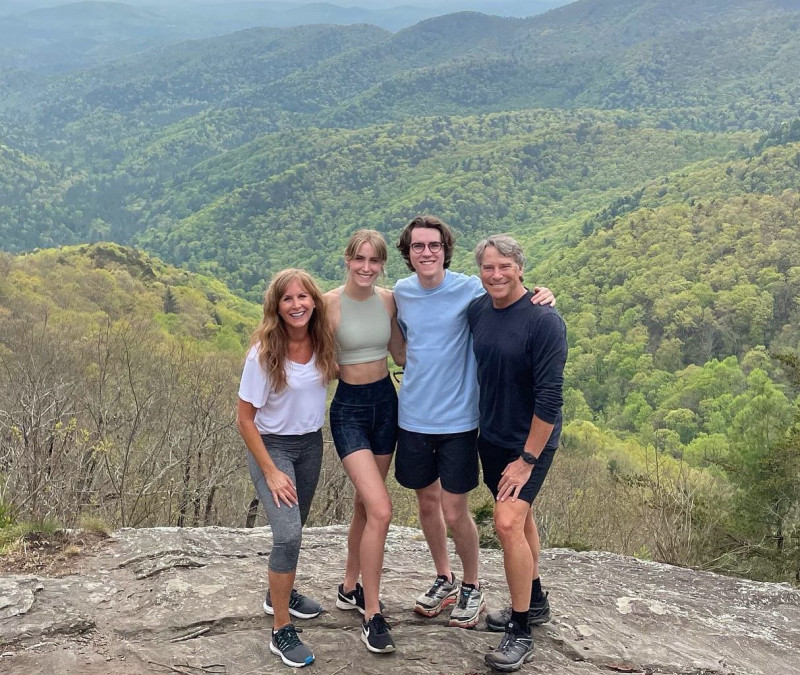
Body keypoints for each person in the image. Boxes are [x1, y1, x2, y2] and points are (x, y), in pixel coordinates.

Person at [392, 215, 555, 630]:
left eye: (434, 245)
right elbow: (395, 341)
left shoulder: (470, 289)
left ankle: (473, 585)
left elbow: (514, 301)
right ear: (408, 254)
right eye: (417, 246)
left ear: (446, 250)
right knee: (427, 503)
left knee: (458, 508)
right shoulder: (402, 293)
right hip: (414, 416)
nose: (426, 252)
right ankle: (444, 578)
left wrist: (544, 295)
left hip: (462, 421)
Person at [467, 235, 567, 672]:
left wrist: (526, 461)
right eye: (488, 267)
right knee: (520, 519)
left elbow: (550, 400)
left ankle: (521, 628)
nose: (496, 274)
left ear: (521, 268)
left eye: (504, 266)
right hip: (491, 434)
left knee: (507, 523)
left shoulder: (544, 321)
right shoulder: (477, 311)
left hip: (532, 441)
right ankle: (537, 598)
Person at [236, 269, 338, 669]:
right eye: (287, 299)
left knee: (297, 527)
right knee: (288, 533)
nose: (297, 305)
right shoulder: (265, 352)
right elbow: (244, 418)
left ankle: (278, 592)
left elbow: (365, 296)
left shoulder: (323, 341)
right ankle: (281, 627)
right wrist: (271, 470)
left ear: (314, 301)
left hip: (311, 444)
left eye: (303, 297)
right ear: (276, 307)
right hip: (272, 447)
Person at [324, 230, 406, 654]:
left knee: (363, 503)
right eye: (360, 259)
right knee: (380, 508)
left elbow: (401, 353)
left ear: (382, 264)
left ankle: (349, 586)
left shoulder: (390, 300)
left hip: (386, 405)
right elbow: (300, 347)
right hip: (349, 410)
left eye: (375, 261)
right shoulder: (327, 304)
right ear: (347, 258)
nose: (367, 267)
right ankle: (372, 614)